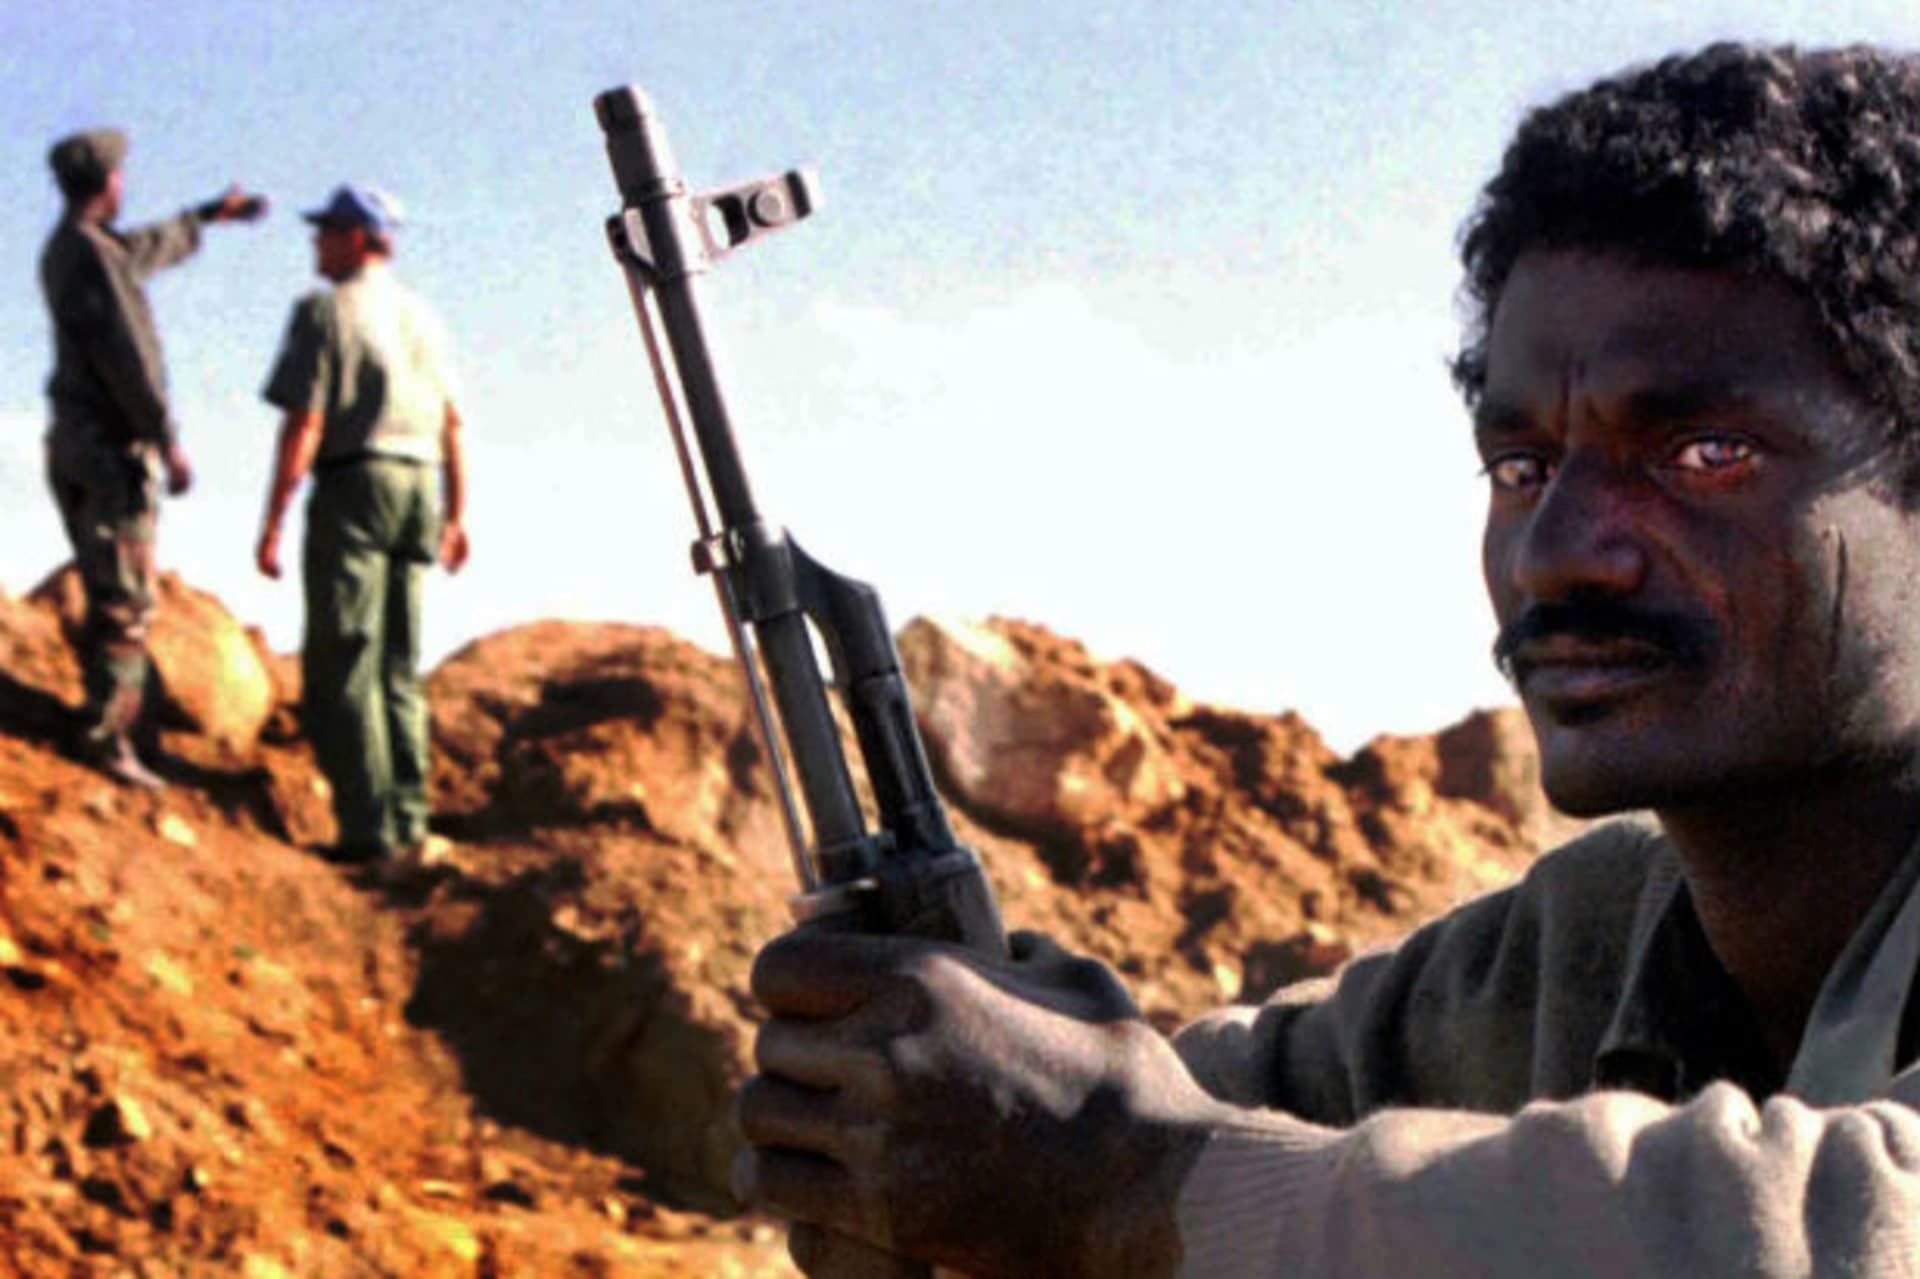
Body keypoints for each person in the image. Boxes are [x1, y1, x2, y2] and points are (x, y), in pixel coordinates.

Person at [734, 43, 1920, 1277]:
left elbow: (1846, 1229)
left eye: (1704, 455)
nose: (1558, 555)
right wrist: (950, 1081)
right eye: (1522, 469)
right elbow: (1211, 1109)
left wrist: (1117, 1175)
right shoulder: (1590, 946)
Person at [39, 127, 266, 789]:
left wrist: (205, 216)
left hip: (75, 442)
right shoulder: (90, 257)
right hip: (108, 450)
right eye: (120, 175)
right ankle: (109, 739)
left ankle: (123, 729)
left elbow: (142, 249)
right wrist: (165, 438)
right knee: (124, 598)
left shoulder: (75, 250)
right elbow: (128, 355)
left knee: (110, 585)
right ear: (106, 181)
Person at [255, 184, 469, 872]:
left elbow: (305, 422)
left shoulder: (325, 312)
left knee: (345, 657)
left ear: (356, 236)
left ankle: (371, 834)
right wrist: (457, 512)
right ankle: (411, 822)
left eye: (325, 230)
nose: (316, 242)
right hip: (420, 483)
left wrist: (274, 518)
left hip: (356, 480)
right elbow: (452, 424)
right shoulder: (423, 318)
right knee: (400, 663)